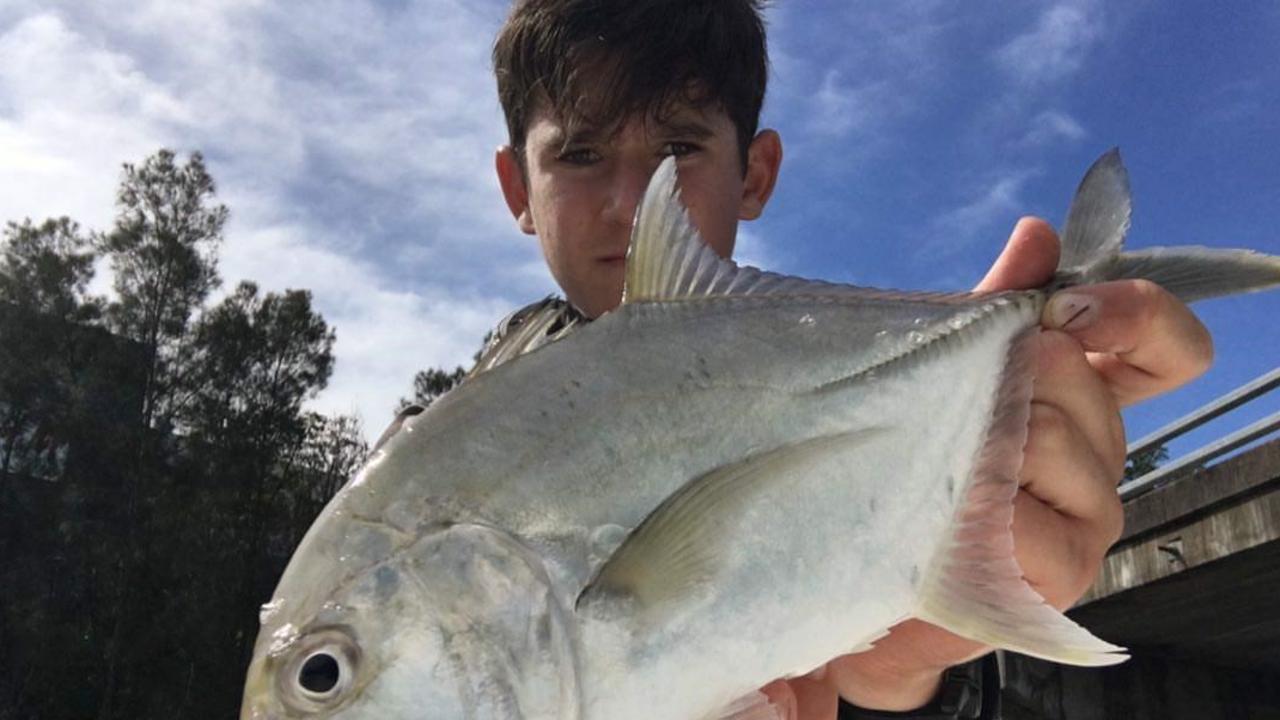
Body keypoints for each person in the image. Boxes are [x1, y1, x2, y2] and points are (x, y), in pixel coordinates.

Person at [478, 1, 1214, 718]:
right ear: (519, 188)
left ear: (756, 174)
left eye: (677, 151)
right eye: (579, 153)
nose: (634, 205)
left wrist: (903, 668)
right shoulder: (461, 439)